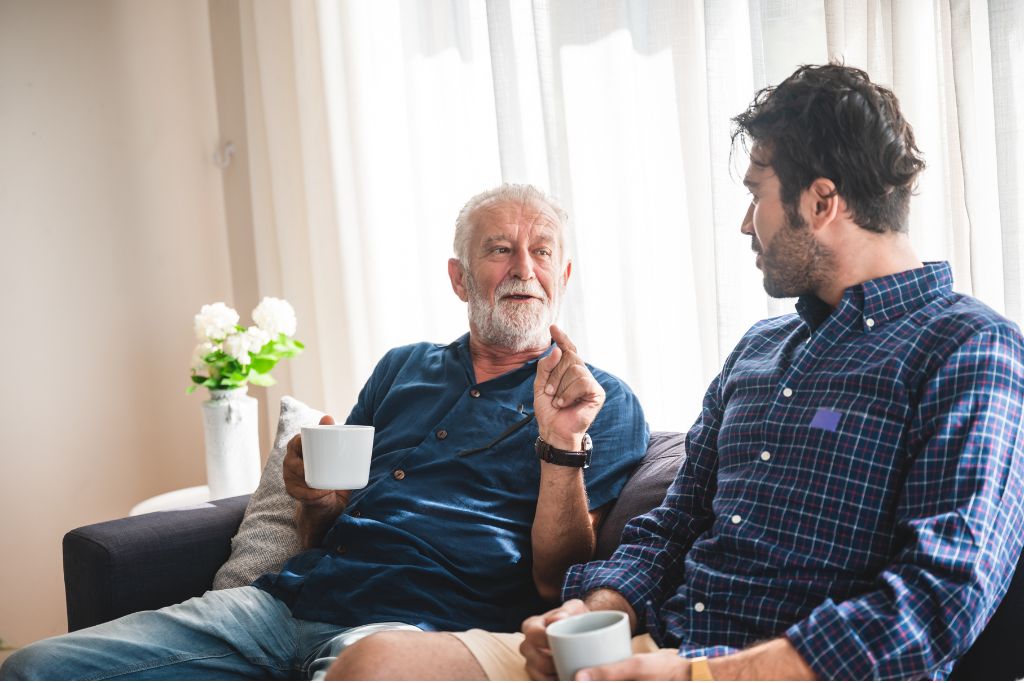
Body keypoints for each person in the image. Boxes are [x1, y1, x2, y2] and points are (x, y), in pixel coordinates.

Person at [329, 64, 1024, 681]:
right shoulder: (759, 351)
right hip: (653, 648)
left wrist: (701, 675)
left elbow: (938, 600)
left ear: (821, 201)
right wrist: (592, 608)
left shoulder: (969, 351)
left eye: (758, 193)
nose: (746, 224)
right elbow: (674, 525)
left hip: (765, 670)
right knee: (374, 662)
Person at [1, 184, 649, 680]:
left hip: (417, 630)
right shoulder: (404, 366)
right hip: (284, 604)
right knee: (31, 668)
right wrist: (312, 493)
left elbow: (558, 579)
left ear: (562, 277)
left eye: (541, 252)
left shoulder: (599, 400)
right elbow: (331, 520)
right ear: (458, 276)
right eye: (499, 248)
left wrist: (561, 444)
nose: (522, 268)